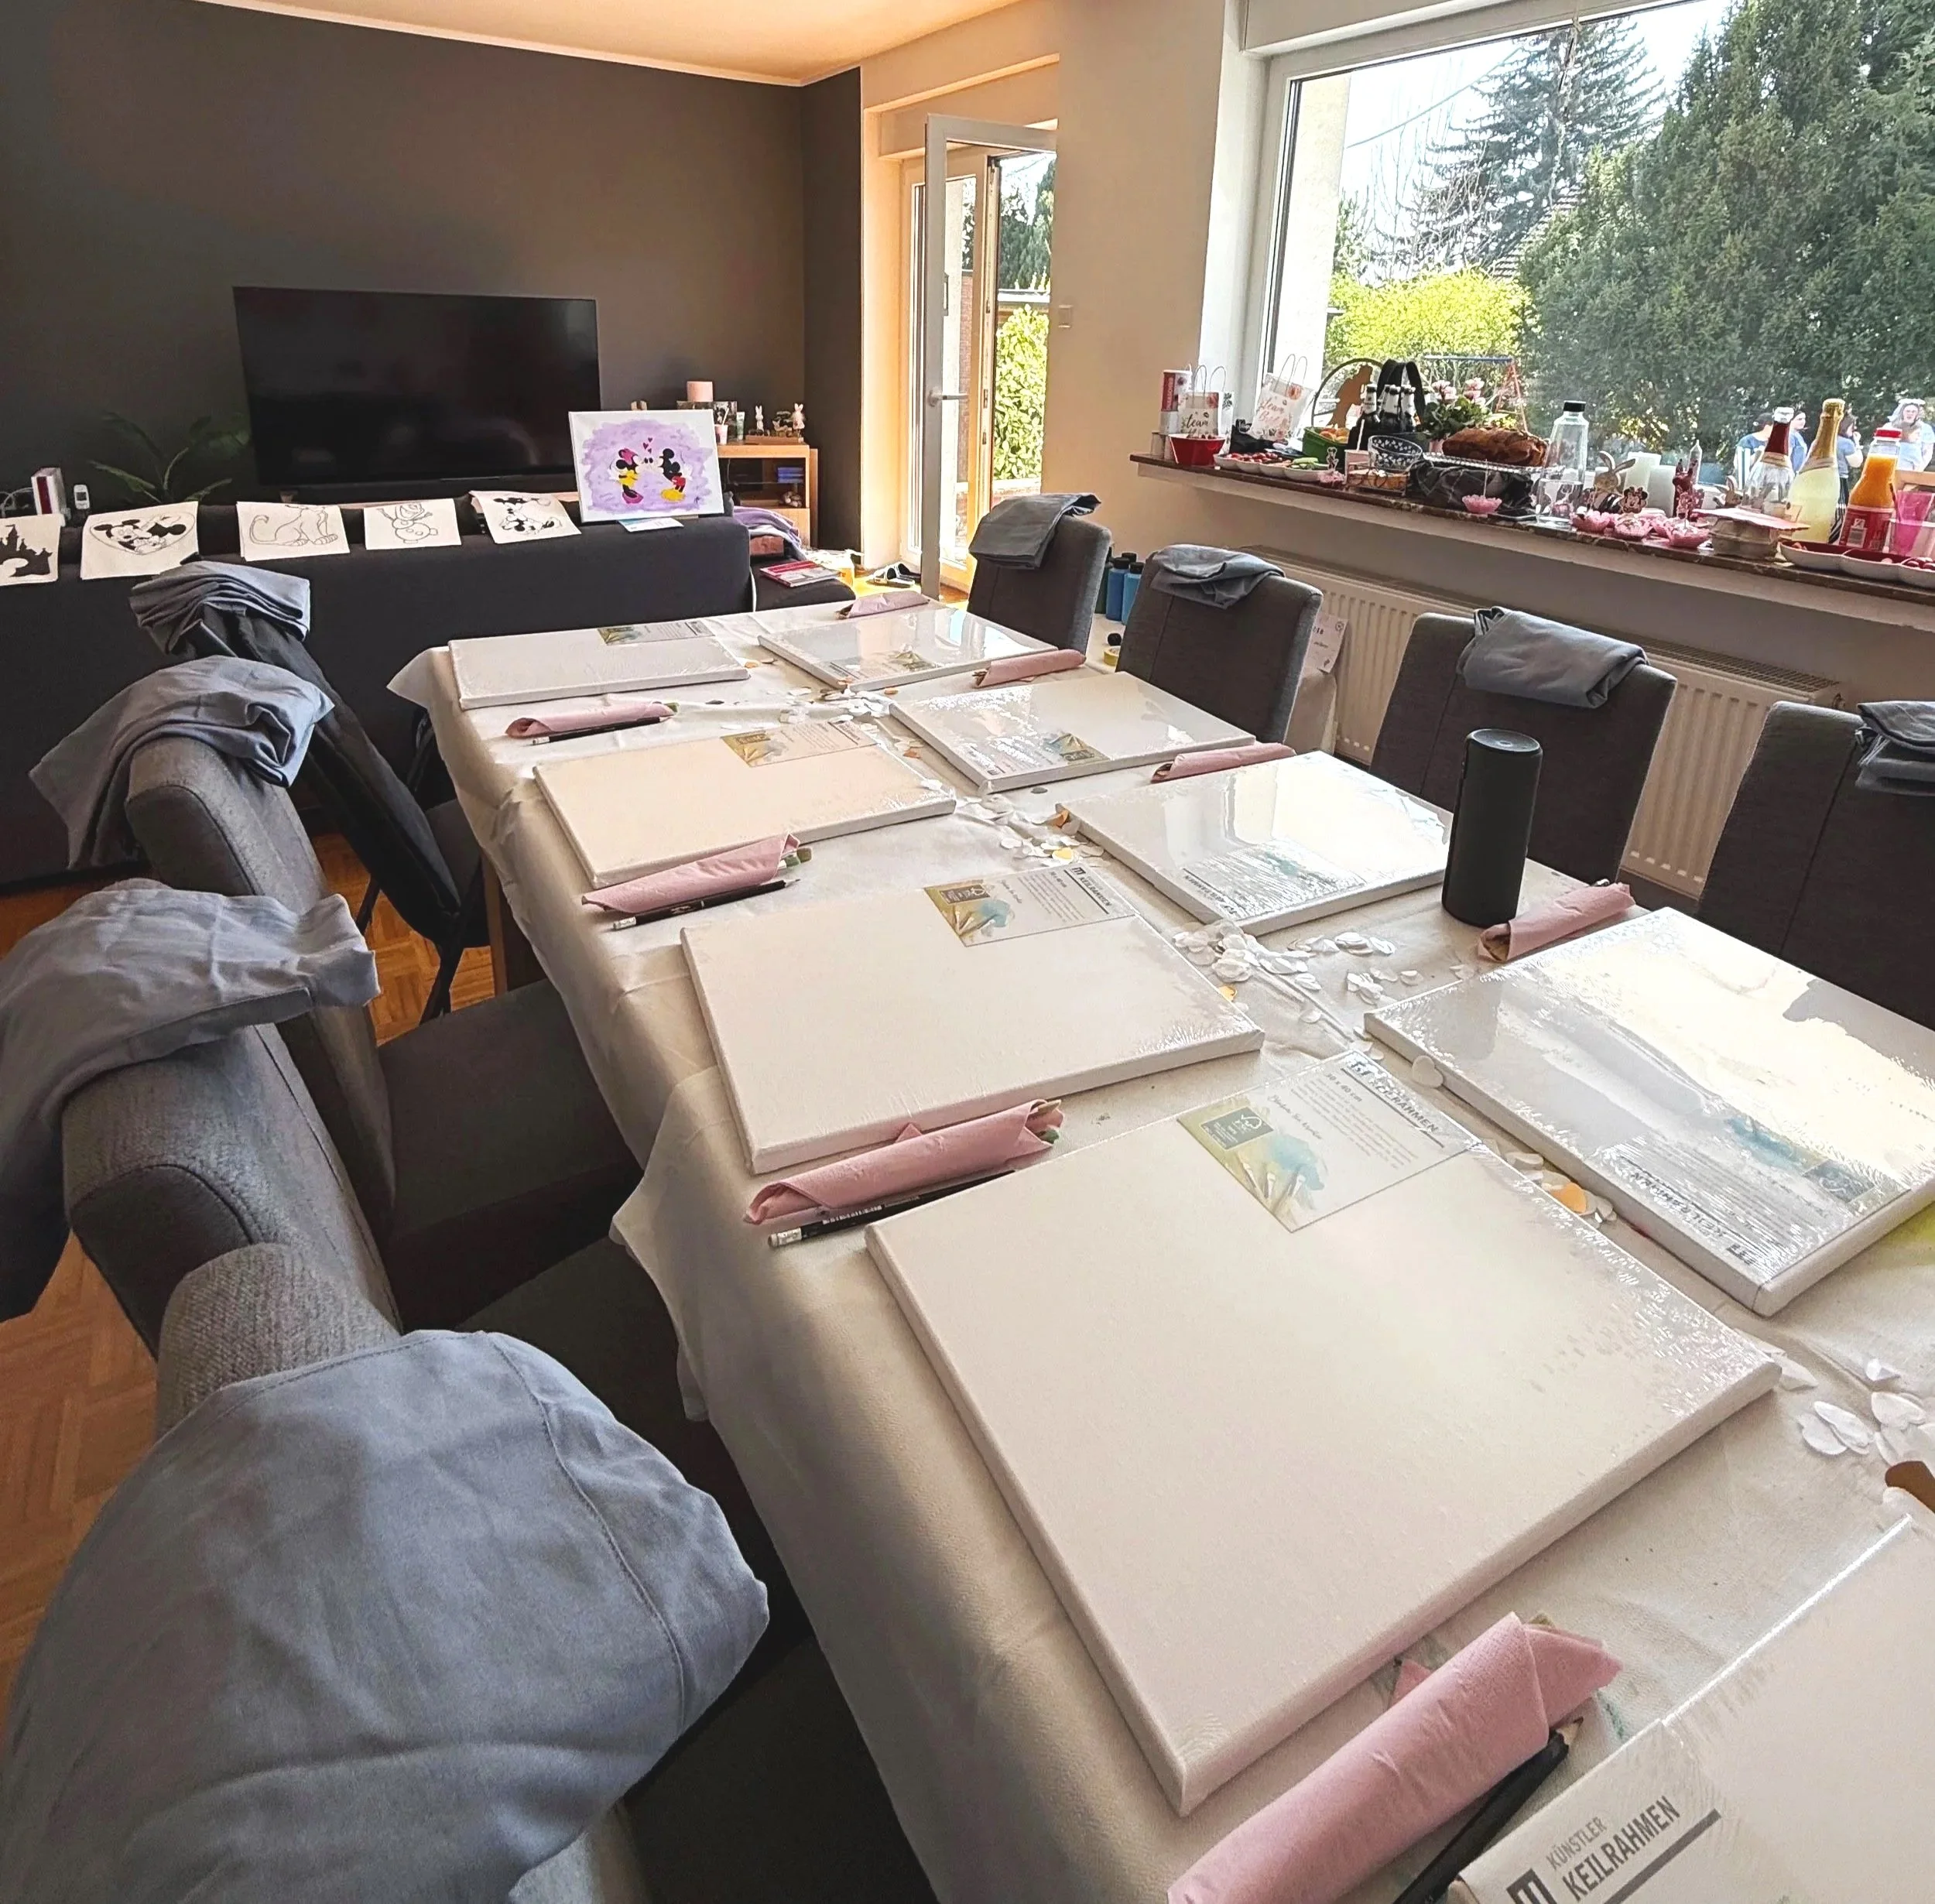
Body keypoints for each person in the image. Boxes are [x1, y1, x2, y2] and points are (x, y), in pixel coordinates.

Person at [1888, 398, 1935, 474]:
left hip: (1913, 468)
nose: (1910, 413)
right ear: (1902, 412)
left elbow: (1927, 453)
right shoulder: (1891, 426)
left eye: (1914, 411)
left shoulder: (1925, 428)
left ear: (1918, 413)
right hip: (1891, 466)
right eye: (1908, 411)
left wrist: (1919, 470)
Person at [1730, 413, 1774, 492]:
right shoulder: (1747, 441)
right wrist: (1761, 453)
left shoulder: (1774, 442)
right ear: (1767, 427)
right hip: (1745, 485)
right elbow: (1738, 465)